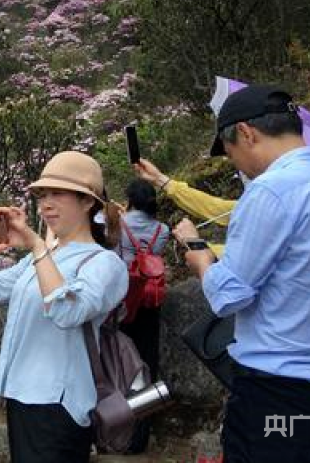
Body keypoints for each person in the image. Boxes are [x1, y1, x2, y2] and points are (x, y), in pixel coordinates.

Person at [172, 85, 310, 463]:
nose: (235, 163)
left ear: (245, 133)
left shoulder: (270, 192)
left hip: (277, 396)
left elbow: (230, 294)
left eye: (229, 152)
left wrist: (199, 256)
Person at [0, 151, 128, 462]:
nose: (46, 203)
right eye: (42, 195)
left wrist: (37, 246)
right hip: (22, 394)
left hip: (59, 402)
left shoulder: (105, 263)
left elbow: (67, 312)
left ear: (88, 201)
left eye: (58, 194)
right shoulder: (42, 257)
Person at [117, 178, 170, 453]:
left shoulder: (120, 225)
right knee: (147, 363)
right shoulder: (163, 229)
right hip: (150, 300)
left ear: (130, 199)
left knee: (120, 362)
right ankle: (139, 437)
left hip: (124, 300)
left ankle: (116, 430)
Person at [134, 158, 235, 257]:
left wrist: (194, 243)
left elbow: (238, 262)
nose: (228, 157)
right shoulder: (249, 199)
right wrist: (161, 180)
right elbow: (216, 207)